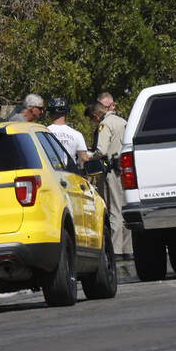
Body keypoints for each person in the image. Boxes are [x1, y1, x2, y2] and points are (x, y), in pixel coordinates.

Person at [90, 92, 130, 258]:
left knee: (114, 210)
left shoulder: (105, 124)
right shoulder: (125, 122)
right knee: (126, 208)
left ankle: (116, 250)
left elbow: (101, 150)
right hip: (125, 170)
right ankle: (129, 249)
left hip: (111, 171)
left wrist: (88, 157)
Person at [45, 96, 90, 164]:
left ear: (49, 114)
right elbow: (83, 158)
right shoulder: (77, 135)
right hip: (70, 172)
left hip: (49, 172)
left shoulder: (43, 132)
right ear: (67, 113)